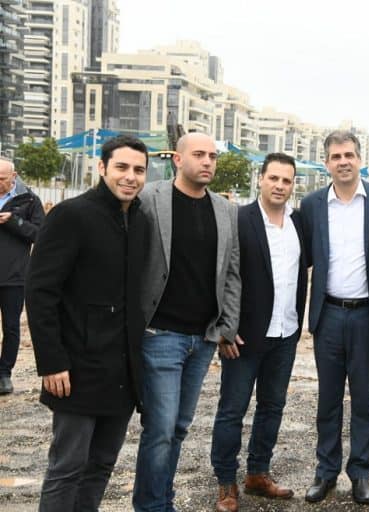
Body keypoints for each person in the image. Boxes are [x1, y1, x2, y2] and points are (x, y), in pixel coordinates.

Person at [25, 135, 149, 511]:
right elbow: (40, 292)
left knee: (101, 465)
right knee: (67, 467)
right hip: (76, 367)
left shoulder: (141, 220)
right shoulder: (71, 215)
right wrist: (52, 361)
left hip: (122, 370)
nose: (130, 177)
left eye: (139, 170)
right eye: (122, 167)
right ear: (102, 168)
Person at [133, 132, 241, 512]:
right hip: (160, 333)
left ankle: (162, 500)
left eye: (212, 156)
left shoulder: (226, 210)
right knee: (161, 428)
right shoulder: (149, 198)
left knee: (178, 427)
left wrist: (227, 326)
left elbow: (232, 272)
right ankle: (152, 506)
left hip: (203, 338)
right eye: (199, 154)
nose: (208, 161)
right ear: (177, 160)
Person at [301, 130, 369, 505]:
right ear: (326, 162)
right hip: (328, 315)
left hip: (367, 318)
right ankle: (325, 472)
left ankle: (360, 473)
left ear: (360, 160)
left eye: (349, 155)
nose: (343, 161)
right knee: (327, 400)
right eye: (336, 156)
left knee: (363, 401)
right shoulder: (311, 205)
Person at [210, 153, 308, 512]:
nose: (280, 185)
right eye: (274, 178)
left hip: (286, 332)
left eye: (286, 180)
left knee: (272, 407)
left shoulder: (299, 223)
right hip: (244, 337)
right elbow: (220, 274)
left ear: (293, 185)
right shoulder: (240, 219)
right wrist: (224, 327)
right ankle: (226, 483)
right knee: (232, 410)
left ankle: (257, 474)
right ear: (261, 179)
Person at [0, 158, 44, 394]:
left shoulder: (29, 201)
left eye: (2, 179)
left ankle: (4, 374)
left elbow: (41, 234)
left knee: (11, 327)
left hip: (14, 277)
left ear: (14, 177)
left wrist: (14, 221)